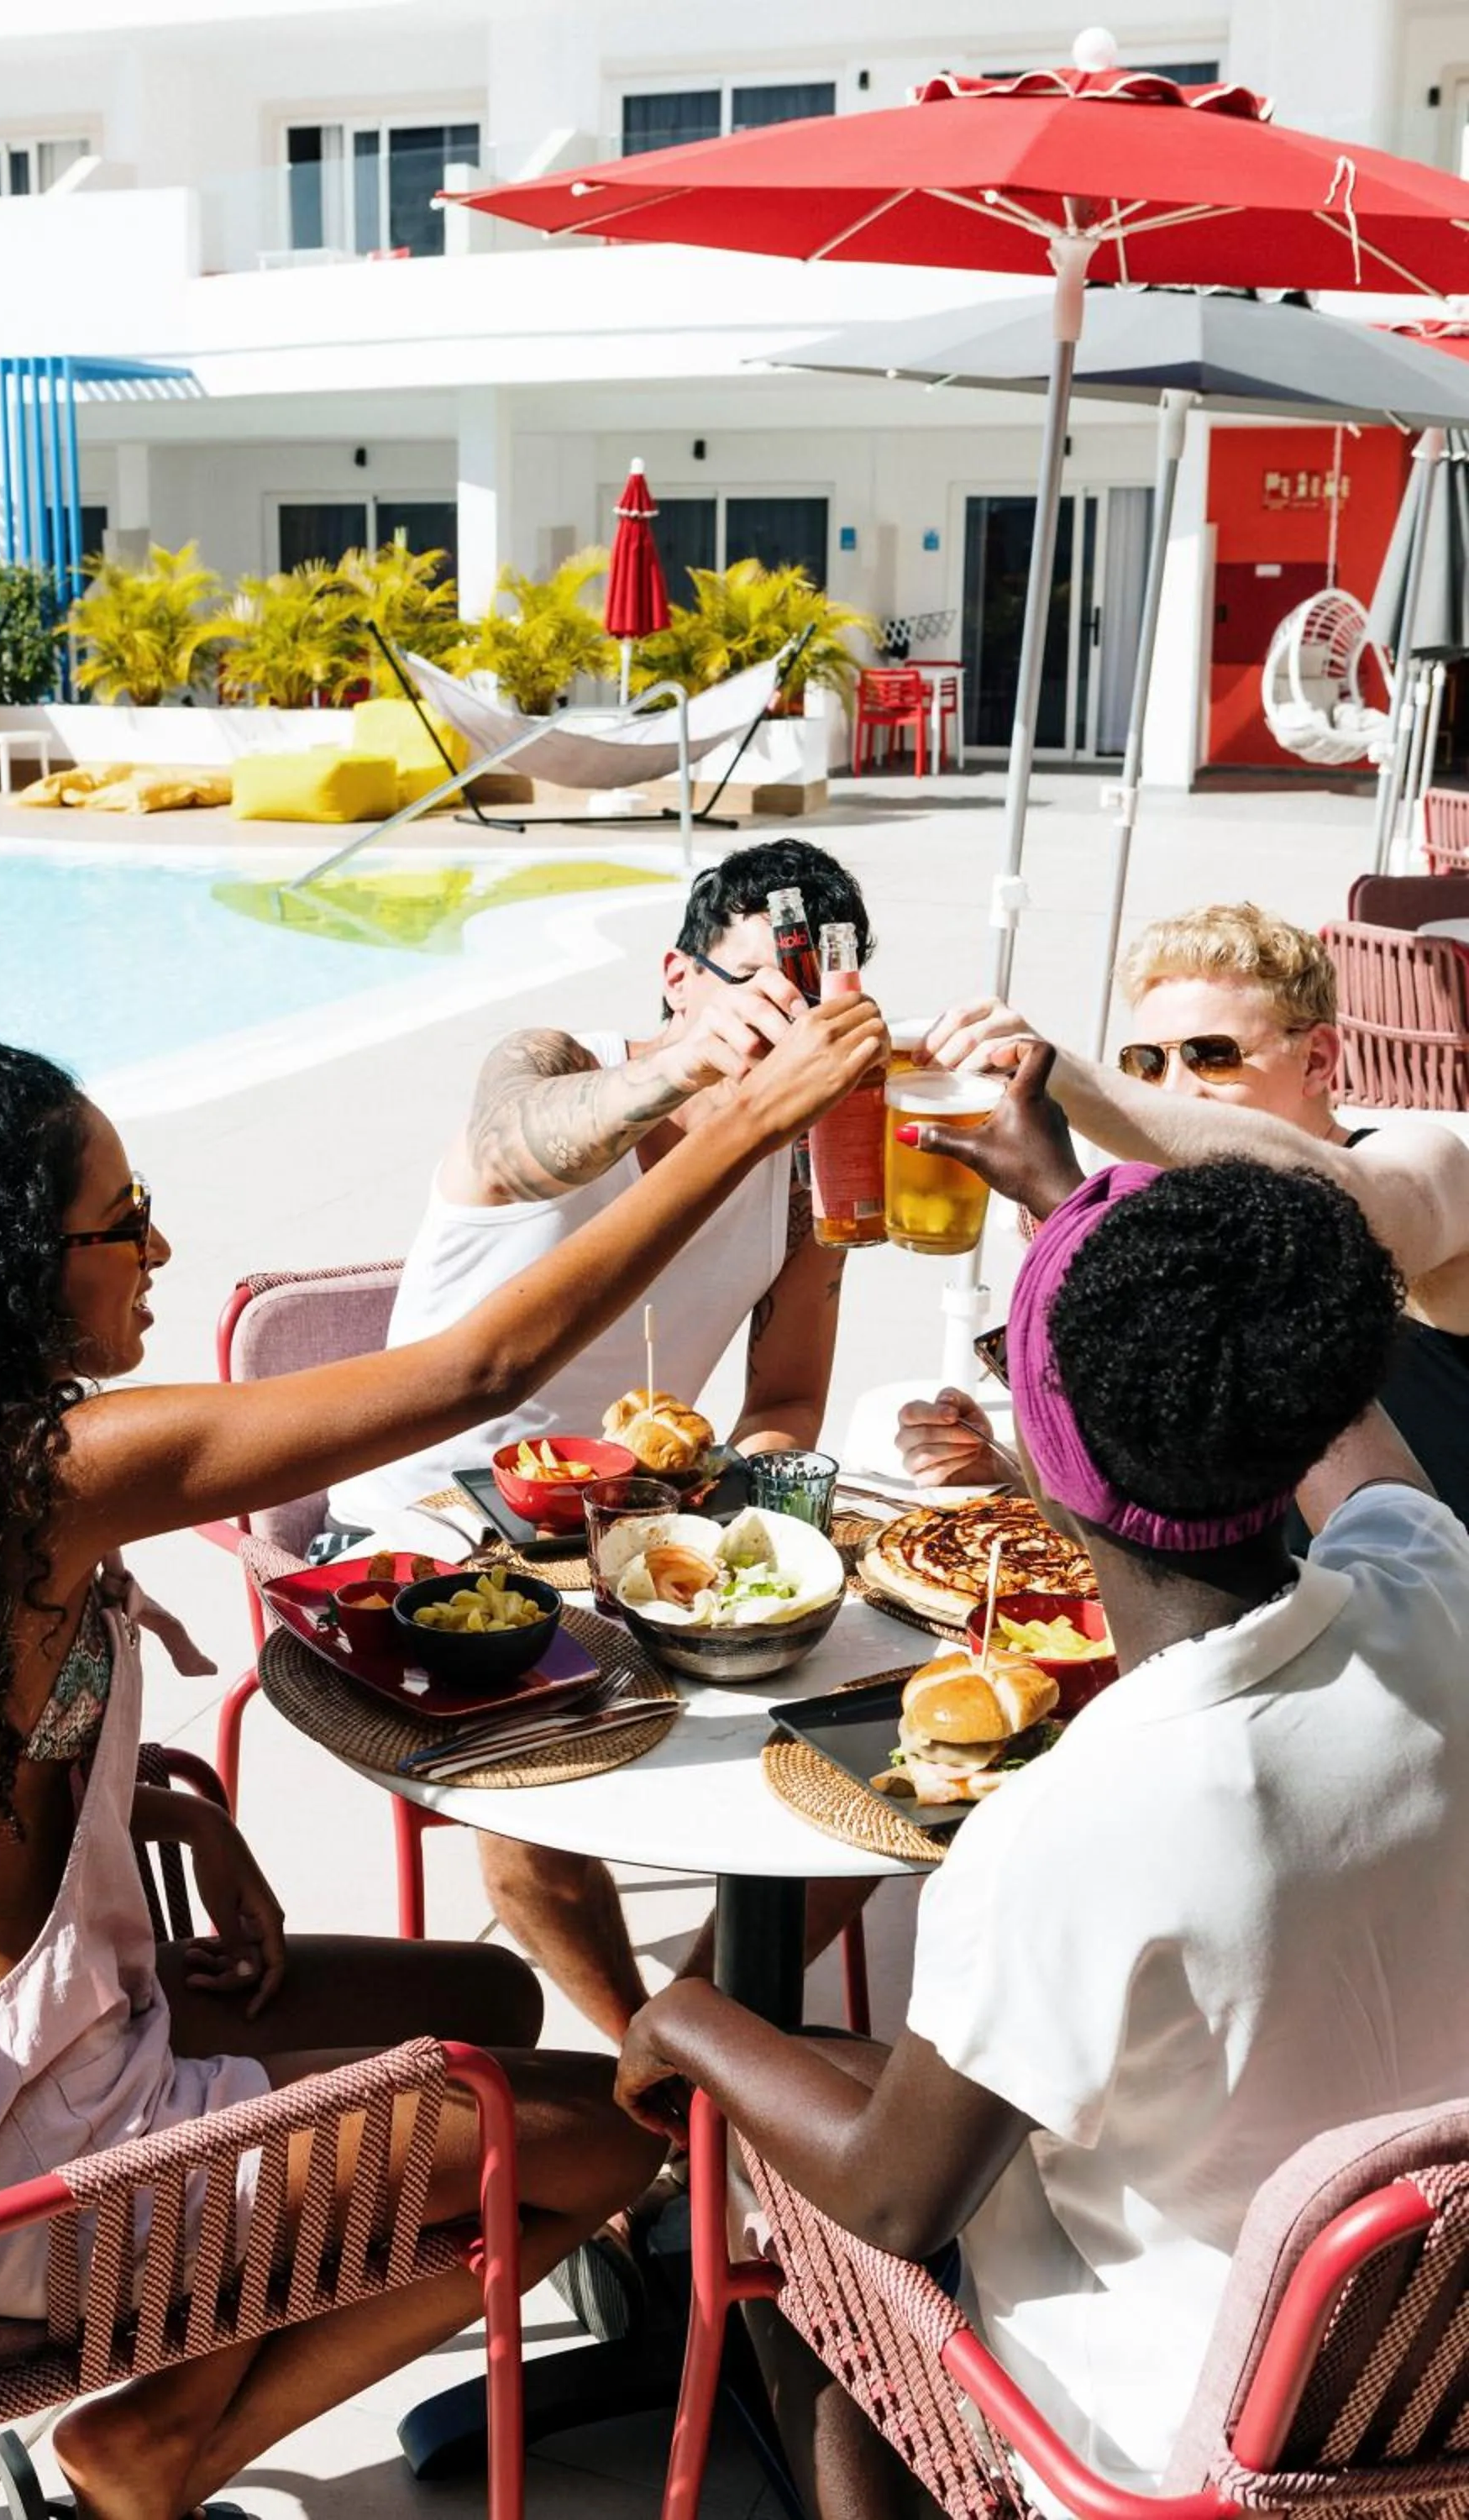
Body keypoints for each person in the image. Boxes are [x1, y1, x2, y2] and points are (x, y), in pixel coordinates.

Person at [0, 997, 884, 2520]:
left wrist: (162, 1799)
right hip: (25, 2190)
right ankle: (158, 2444)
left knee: (492, 1995)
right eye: (127, 1221)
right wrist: (759, 1132)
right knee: (594, 2145)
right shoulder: (51, 1474)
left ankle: (190, 2378)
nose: (160, 1251)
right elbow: (478, 1367)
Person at [614, 1044, 1469, 2515]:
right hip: (1431, 2352)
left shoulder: (1071, 1826)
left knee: (802, 2228)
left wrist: (684, 2015)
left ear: (1046, 1455)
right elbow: (1333, 1416)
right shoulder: (1431, 1592)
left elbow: (895, 2191)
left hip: (1173, 2432)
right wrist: (1065, 1197)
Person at [330, 838, 879, 2046]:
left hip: (635, 1533)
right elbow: (525, 1127)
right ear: (680, 979)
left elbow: (785, 1392)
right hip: (432, 1530)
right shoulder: (556, 1066)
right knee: (536, 1831)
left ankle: (693, 2036)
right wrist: (693, 1077)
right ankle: (662, 2076)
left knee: (882, 1782)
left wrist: (732, 1530)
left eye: (814, 995)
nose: (782, 1020)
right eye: (754, 984)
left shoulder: (806, 1169)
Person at [899, 901, 1469, 1520]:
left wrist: (1067, 1082)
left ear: (1318, 1060)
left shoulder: (1424, 1158)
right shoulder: (1169, 1227)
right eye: (1148, 1063)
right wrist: (1010, 1470)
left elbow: (1337, 1202)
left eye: (1212, 1055)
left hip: (1425, 1607)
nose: (1175, 1089)